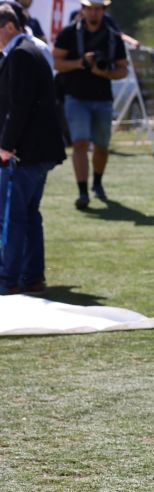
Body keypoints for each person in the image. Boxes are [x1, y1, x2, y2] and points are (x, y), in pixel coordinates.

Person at [0, 3, 65, 296]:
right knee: (28, 214)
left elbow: (19, 106)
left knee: (13, 216)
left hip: (26, 152)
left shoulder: (21, 54)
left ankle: (9, 279)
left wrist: (5, 145)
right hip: (37, 151)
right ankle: (31, 277)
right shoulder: (28, 50)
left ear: (9, 26)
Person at [52, 0, 127, 210]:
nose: (93, 12)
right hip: (75, 97)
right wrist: (80, 62)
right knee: (80, 143)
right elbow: (56, 62)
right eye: (90, 8)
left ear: (103, 10)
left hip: (103, 99)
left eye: (97, 9)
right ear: (83, 10)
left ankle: (97, 183)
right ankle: (82, 191)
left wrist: (105, 72)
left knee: (101, 146)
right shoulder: (68, 33)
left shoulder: (113, 37)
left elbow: (123, 69)